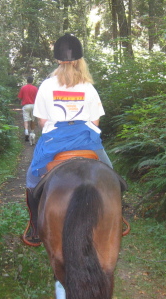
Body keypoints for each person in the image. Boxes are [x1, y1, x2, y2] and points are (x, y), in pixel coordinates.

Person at [23, 33, 112, 245]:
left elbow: (43, 122)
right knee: (111, 177)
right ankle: (117, 216)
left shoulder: (45, 86)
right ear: (80, 60)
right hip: (87, 141)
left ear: (57, 60)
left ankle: (35, 227)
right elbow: (95, 123)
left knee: (31, 180)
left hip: (54, 142)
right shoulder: (89, 88)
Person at [18, 76, 38, 142]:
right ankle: (32, 132)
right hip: (33, 105)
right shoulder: (35, 88)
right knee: (33, 119)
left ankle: (26, 132)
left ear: (27, 81)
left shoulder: (23, 88)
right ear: (32, 81)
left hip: (26, 105)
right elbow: (38, 98)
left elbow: (20, 97)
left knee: (26, 120)